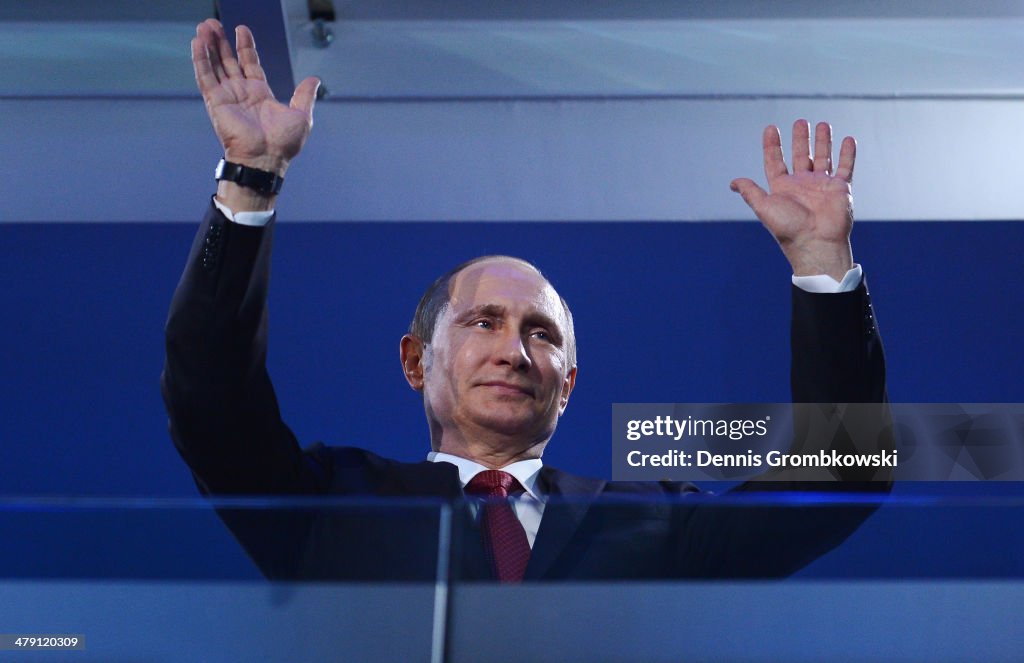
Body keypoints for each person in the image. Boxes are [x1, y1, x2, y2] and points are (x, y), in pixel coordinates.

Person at [162, 20, 887, 582]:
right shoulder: (332, 505)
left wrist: (823, 264)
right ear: (416, 359)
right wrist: (250, 179)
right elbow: (208, 400)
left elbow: (845, 473)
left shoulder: (654, 518)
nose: (514, 350)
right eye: (484, 321)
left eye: (542, 334)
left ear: (567, 386)